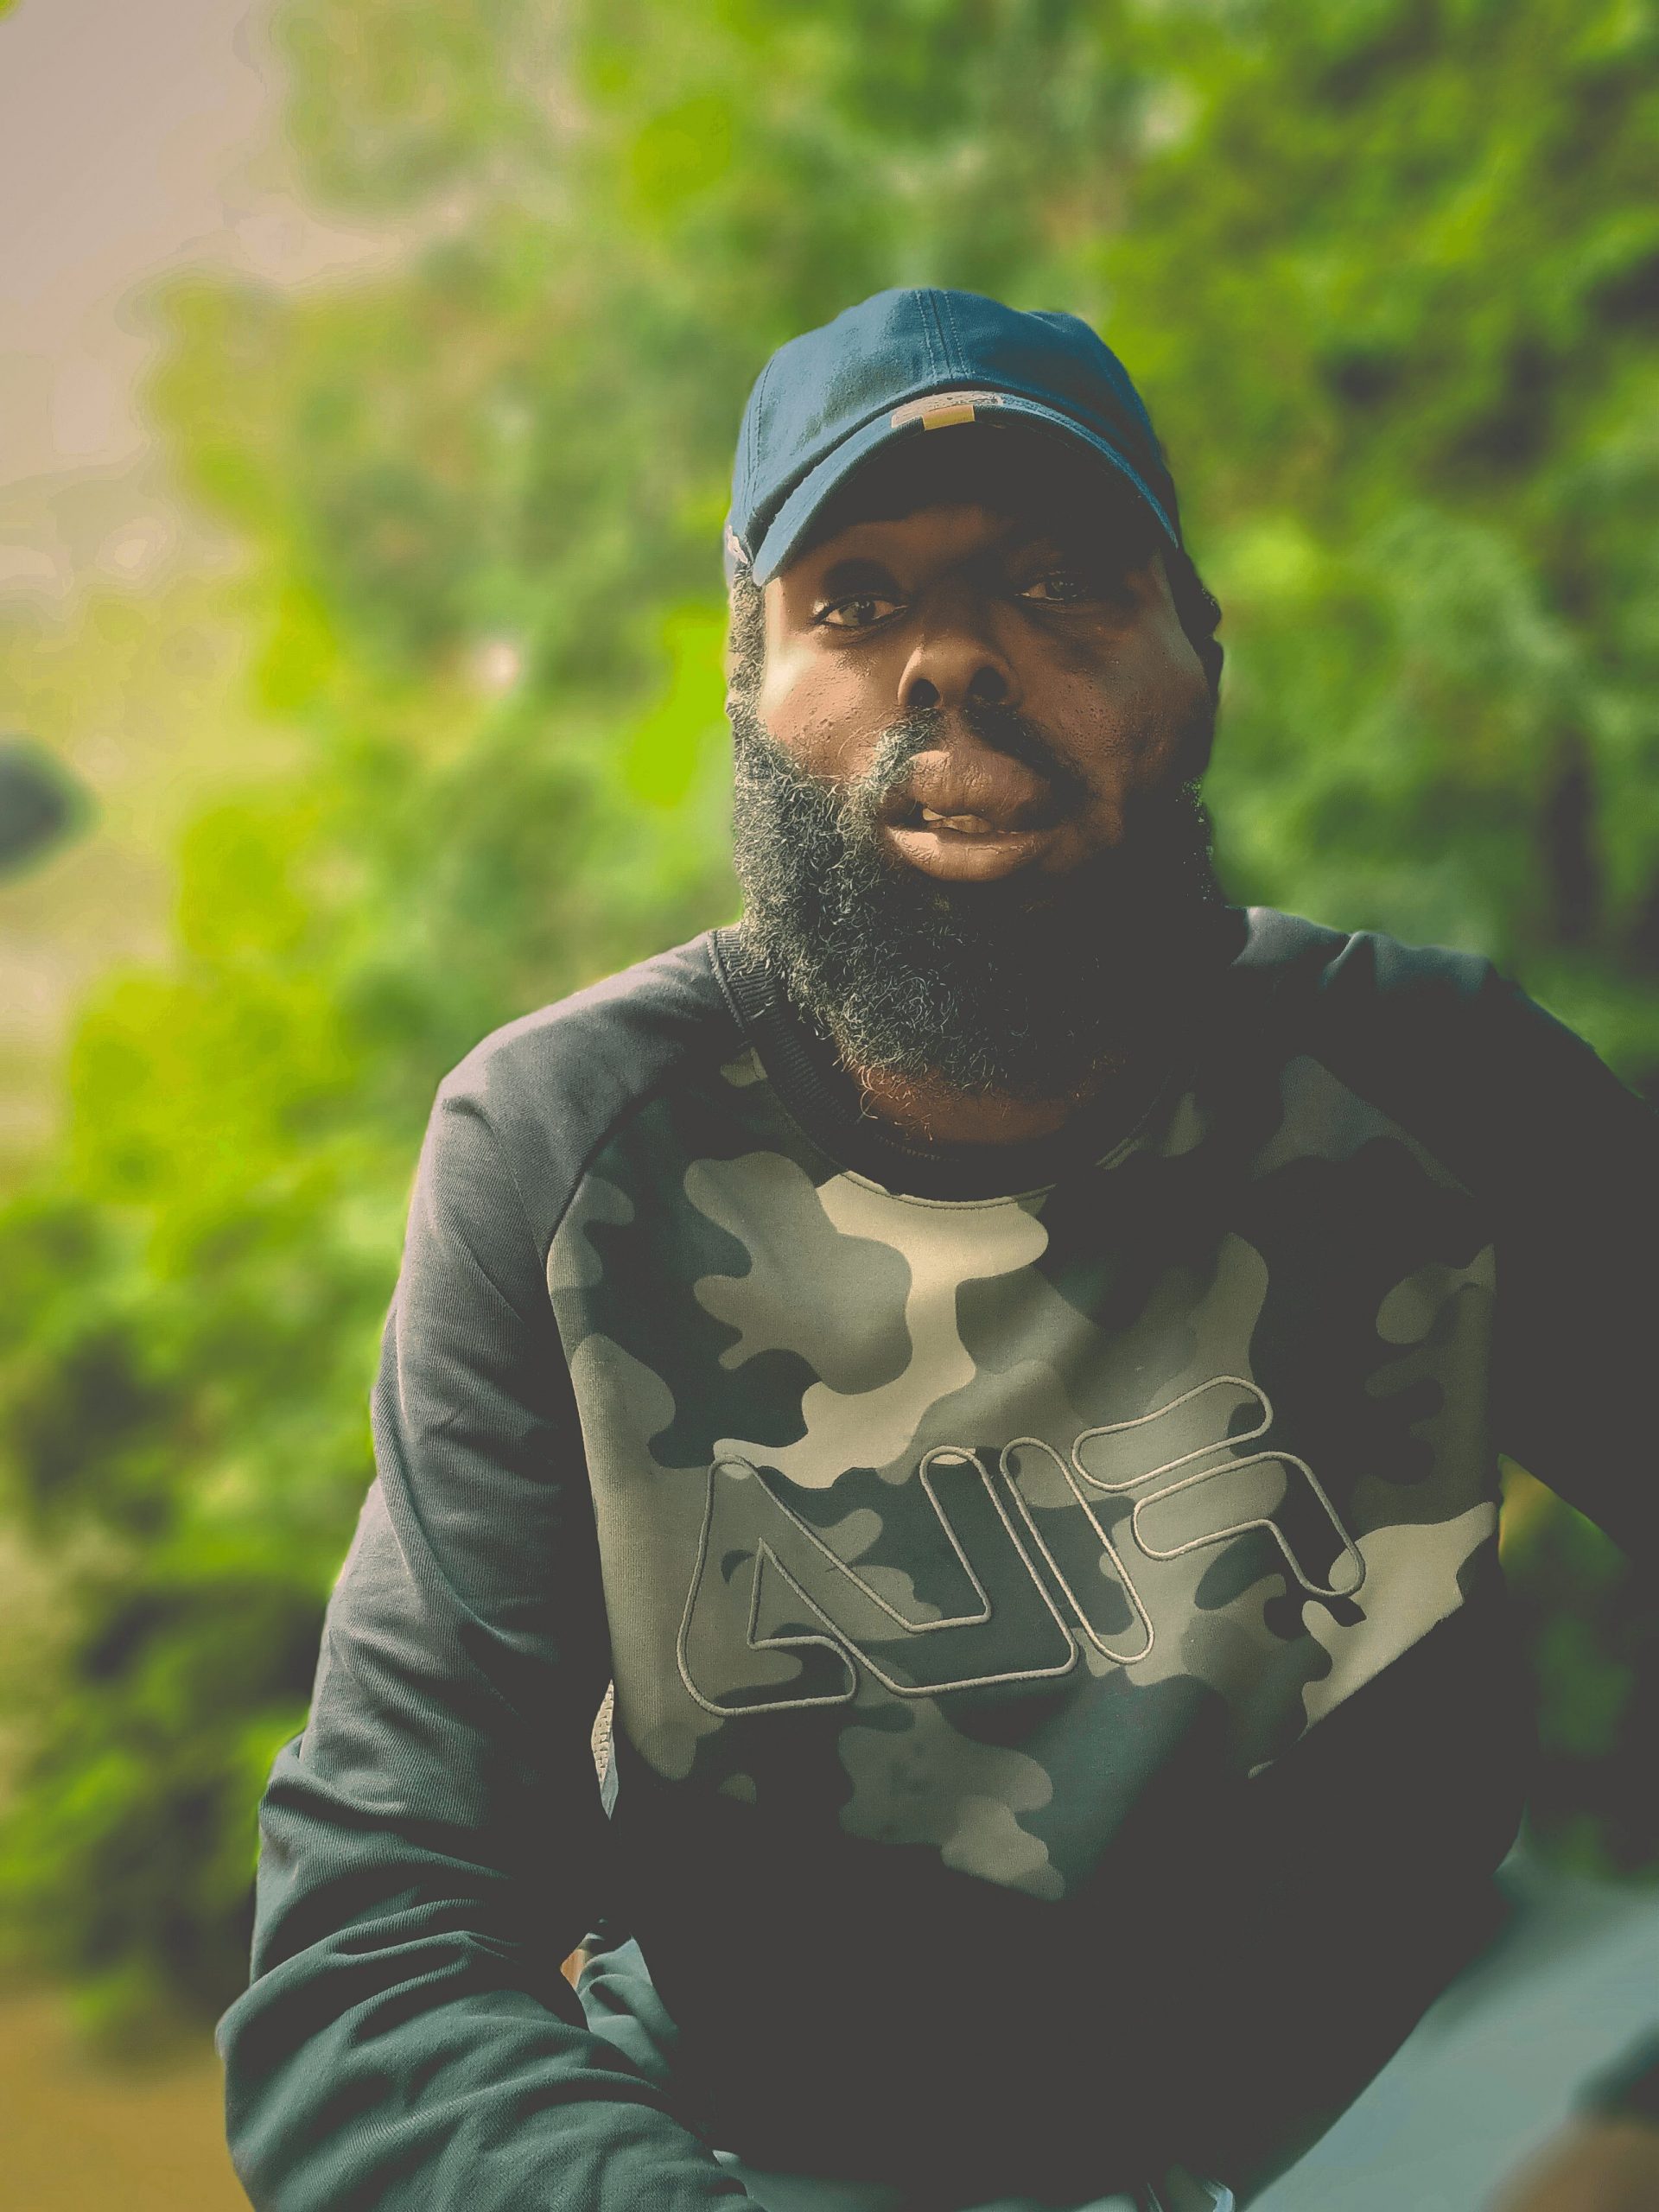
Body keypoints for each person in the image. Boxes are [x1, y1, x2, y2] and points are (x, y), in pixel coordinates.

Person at [217, 288, 1659, 2211]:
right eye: (859, 600)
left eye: (1060, 587)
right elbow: (372, 1955)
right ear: (751, 685)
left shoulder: (1437, 1091)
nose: (955, 658)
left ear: (1199, 662)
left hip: (1390, 2139)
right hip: (756, 2158)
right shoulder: (566, 1156)